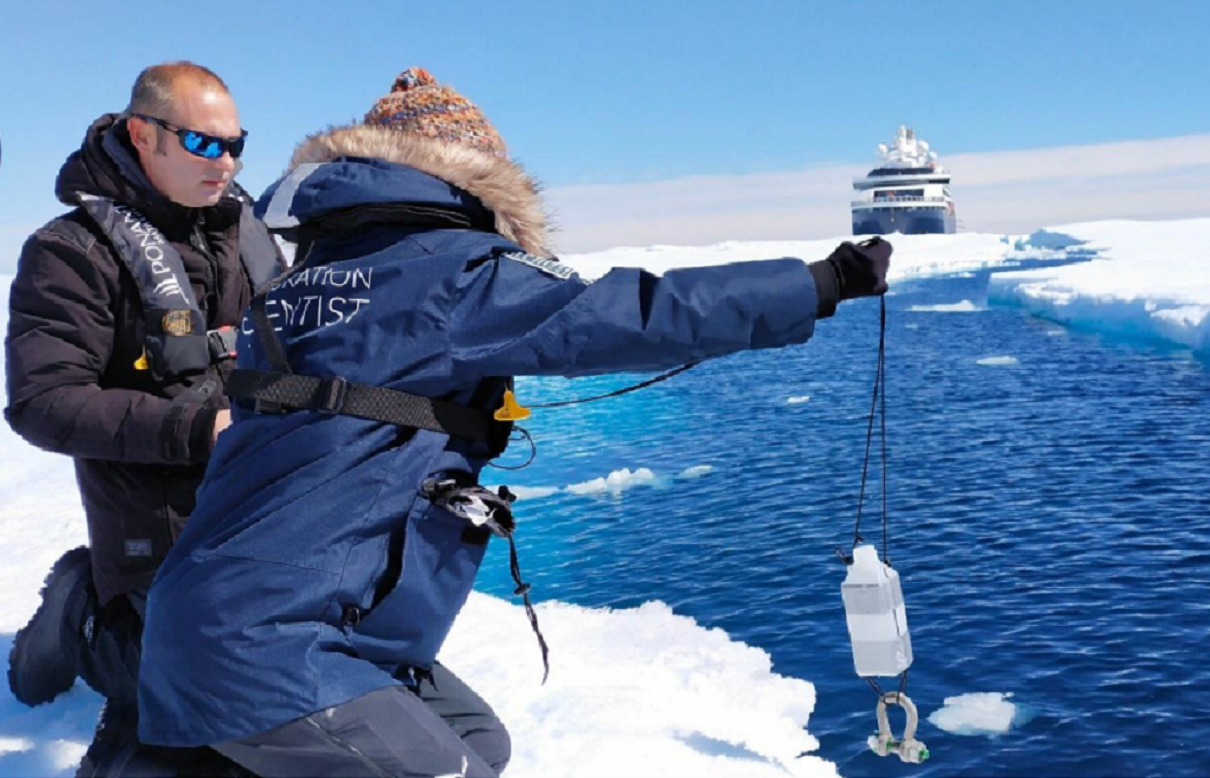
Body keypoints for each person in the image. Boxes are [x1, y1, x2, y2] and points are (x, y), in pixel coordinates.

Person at [136, 67, 891, 778]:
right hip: (267, 647)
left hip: (239, 616)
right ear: (471, 177)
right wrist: (819, 283)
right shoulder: (449, 273)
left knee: (477, 740)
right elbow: (636, 313)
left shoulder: (298, 286)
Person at [4, 62, 282, 775]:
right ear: (142, 133)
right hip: (153, 531)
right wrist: (197, 430)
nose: (228, 162)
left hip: (258, 506)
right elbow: (43, 401)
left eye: (236, 143)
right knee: (211, 717)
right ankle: (90, 616)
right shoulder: (70, 253)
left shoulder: (246, 239)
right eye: (204, 143)